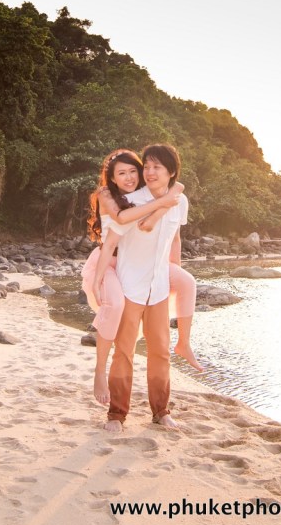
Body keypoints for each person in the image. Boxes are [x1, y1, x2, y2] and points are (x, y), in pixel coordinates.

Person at [81, 149, 200, 407]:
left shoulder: (181, 201)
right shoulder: (131, 202)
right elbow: (111, 241)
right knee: (124, 352)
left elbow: (175, 237)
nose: (149, 172)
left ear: (171, 172)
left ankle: (161, 411)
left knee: (160, 351)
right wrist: (97, 279)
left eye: (156, 167)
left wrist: (173, 272)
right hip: (129, 284)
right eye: (146, 166)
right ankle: (117, 412)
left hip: (157, 286)